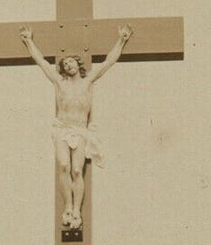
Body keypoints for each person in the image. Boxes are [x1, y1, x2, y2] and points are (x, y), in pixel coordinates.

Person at [19, 23, 134, 230]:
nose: (68, 65)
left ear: (78, 64)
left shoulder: (88, 80)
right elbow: (41, 62)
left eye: (71, 62)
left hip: (80, 130)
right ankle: (68, 206)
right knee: (63, 165)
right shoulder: (59, 82)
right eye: (65, 64)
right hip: (62, 129)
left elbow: (109, 61)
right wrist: (28, 40)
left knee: (77, 170)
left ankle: (77, 211)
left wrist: (122, 40)